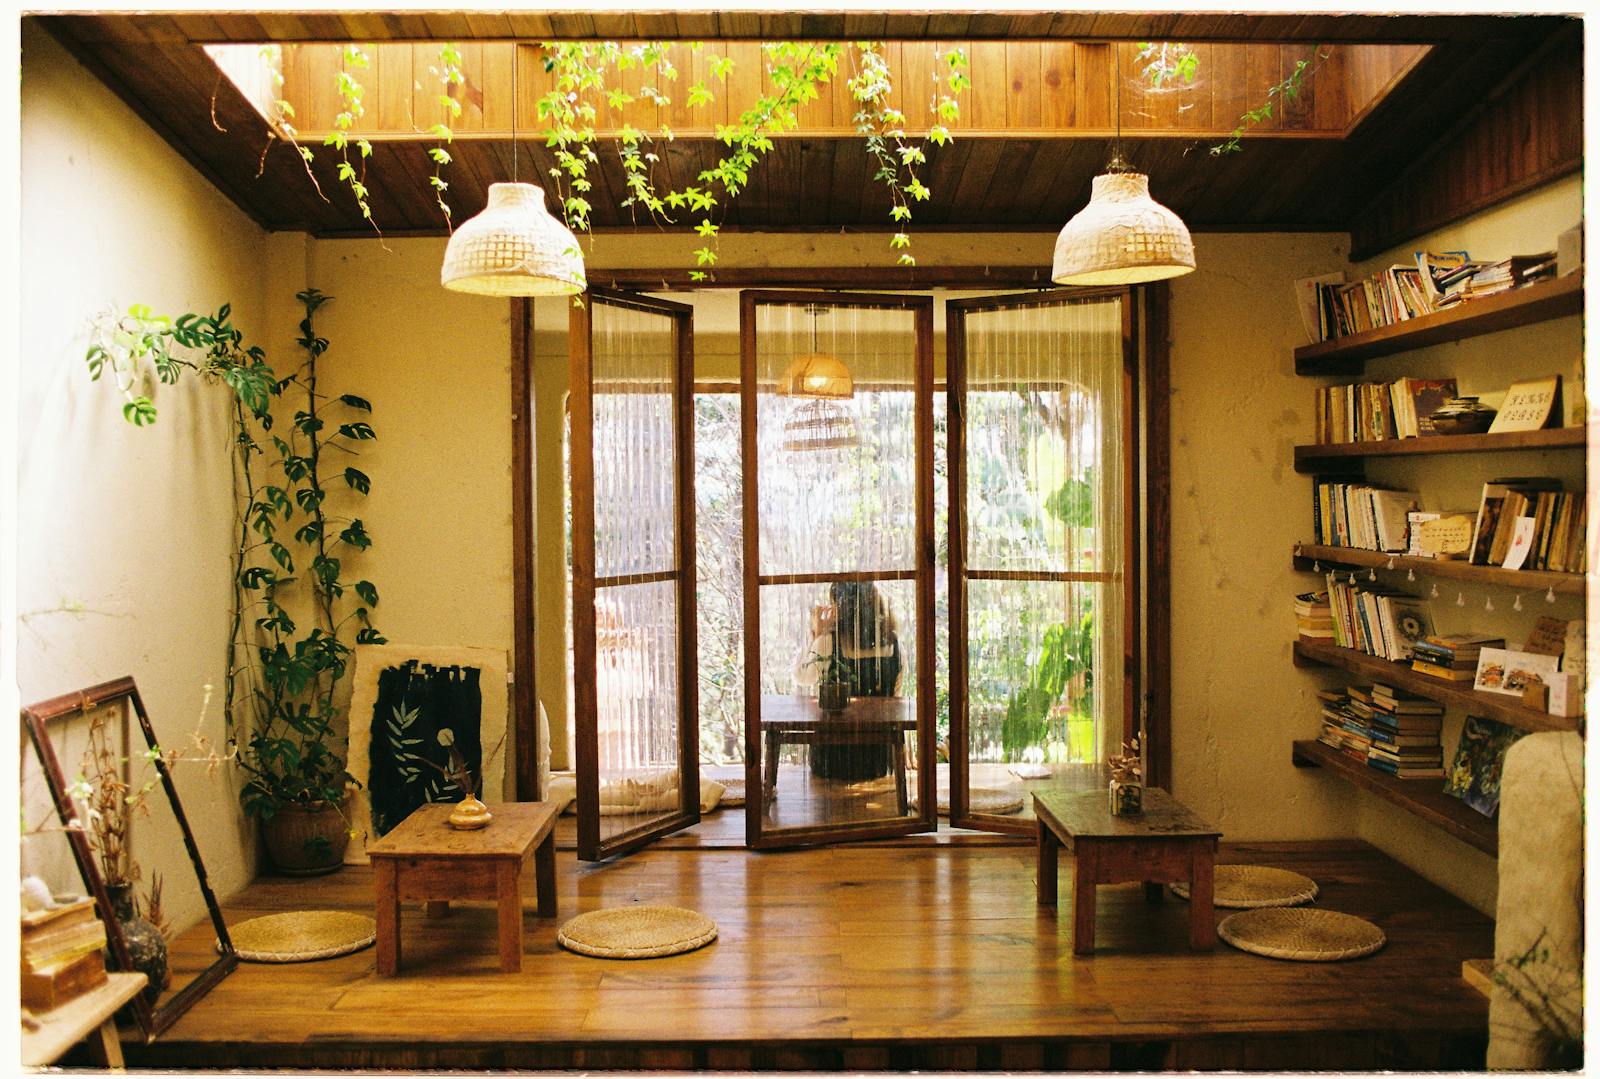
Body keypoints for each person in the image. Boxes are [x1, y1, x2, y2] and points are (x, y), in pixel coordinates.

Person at [792, 580, 902, 781]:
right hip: (877, 762)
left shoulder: (829, 642)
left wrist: (817, 634)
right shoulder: (893, 643)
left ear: (843, 609)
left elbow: (802, 677)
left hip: (831, 761)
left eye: (833, 604)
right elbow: (896, 696)